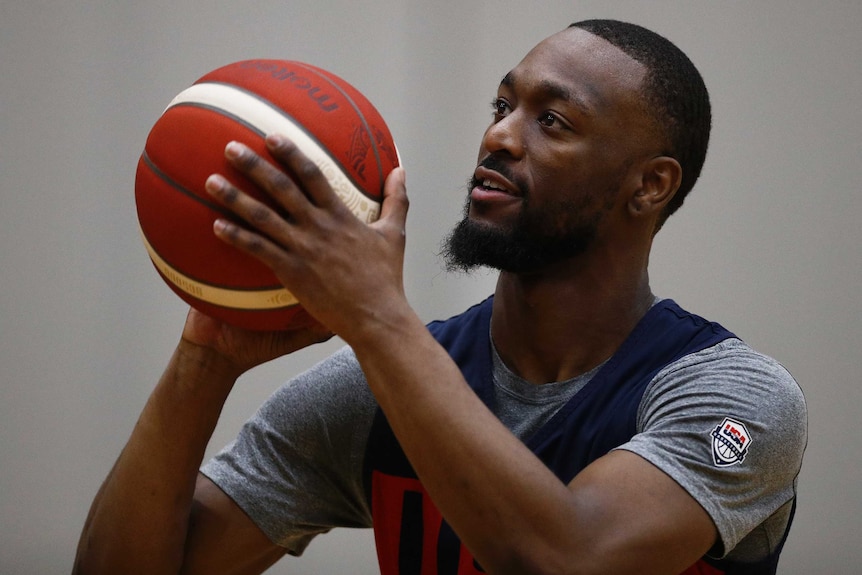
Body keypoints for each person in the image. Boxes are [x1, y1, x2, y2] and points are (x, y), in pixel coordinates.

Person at [73, 19, 807, 575]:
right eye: (502, 105)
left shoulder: (734, 395)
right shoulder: (373, 390)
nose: (499, 136)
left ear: (650, 185)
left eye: (551, 121)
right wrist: (205, 360)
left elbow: (567, 556)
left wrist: (376, 317)